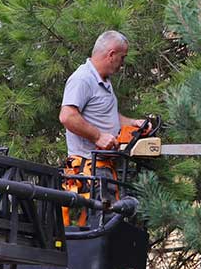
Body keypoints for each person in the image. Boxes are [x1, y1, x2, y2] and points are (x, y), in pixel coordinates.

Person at [58, 30, 147, 227]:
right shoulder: (83, 79)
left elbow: (108, 116)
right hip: (90, 168)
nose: (122, 64)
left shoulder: (103, 82)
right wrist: (98, 136)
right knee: (102, 224)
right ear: (111, 54)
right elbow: (67, 116)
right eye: (122, 58)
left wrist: (132, 123)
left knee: (115, 224)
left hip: (106, 169)